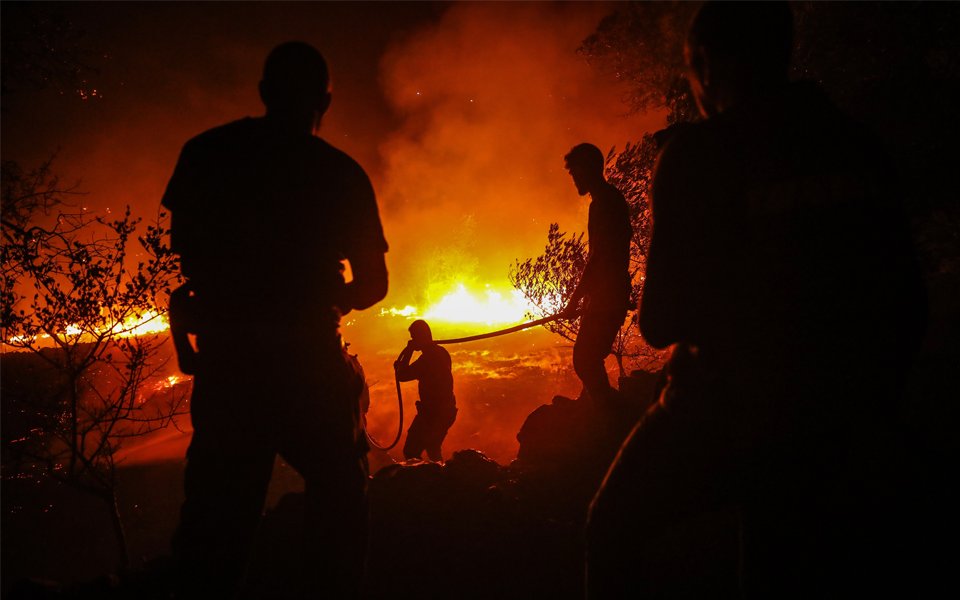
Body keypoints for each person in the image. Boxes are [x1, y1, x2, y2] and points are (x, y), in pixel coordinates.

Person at [586, 3, 926, 598]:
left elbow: (663, 320)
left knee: (611, 526)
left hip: (723, 410)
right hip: (841, 412)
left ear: (709, 67)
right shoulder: (858, 145)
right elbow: (906, 297)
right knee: (778, 561)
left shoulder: (699, 154)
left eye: (692, 71)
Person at [161, 42, 389, 599]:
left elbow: (188, 260)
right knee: (340, 498)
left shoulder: (206, 154)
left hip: (230, 367)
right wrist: (335, 297)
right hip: (308, 364)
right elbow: (374, 284)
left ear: (264, 93)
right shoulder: (340, 174)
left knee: (215, 525)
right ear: (326, 101)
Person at [559, 143, 632, 406]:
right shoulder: (608, 200)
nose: (573, 178)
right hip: (606, 295)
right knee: (588, 357)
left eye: (575, 172)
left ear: (589, 169)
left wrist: (574, 300)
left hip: (607, 296)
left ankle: (611, 416)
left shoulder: (605, 203)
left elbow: (599, 256)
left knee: (585, 358)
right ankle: (601, 409)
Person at [394, 320, 457, 462]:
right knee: (433, 449)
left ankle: (424, 480)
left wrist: (408, 351)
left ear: (421, 336)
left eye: (413, 337)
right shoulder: (441, 352)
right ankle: (440, 478)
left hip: (433, 413)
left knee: (411, 451)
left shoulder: (428, 359)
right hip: (445, 411)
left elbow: (402, 376)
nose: (412, 340)